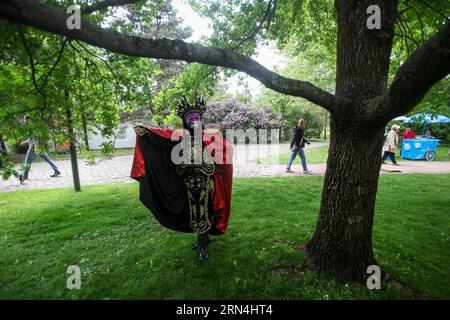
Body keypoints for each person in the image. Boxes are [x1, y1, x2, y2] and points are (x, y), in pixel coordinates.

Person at [131, 95, 233, 261]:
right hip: (186, 184)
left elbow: (225, 152)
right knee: (193, 212)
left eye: (197, 118)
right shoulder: (179, 135)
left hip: (207, 183)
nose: (194, 121)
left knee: (204, 211)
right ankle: (202, 238)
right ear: (185, 120)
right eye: (190, 118)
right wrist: (146, 133)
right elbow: (162, 137)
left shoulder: (210, 135)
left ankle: (201, 242)